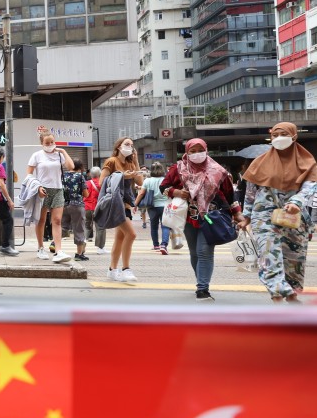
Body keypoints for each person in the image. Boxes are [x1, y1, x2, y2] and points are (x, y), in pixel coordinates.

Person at [239, 122, 317, 302]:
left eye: (283, 134)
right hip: (264, 214)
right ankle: (279, 290)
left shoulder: (307, 162)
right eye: (275, 135)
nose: (278, 139)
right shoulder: (260, 162)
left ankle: (291, 294)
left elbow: (310, 186)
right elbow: (251, 193)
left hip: (293, 215)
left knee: (294, 256)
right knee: (269, 253)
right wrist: (247, 217)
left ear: (294, 136)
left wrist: (296, 202)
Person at [159, 138, 243, 301]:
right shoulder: (178, 168)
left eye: (200, 150)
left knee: (204, 251)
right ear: (187, 152)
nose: (197, 154)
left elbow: (230, 195)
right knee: (194, 252)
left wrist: (237, 213)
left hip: (212, 217)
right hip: (188, 216)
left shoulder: (218, 170)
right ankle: (201, 281)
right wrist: (176, 192)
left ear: (206, 150)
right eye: (193, 151)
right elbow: (163, 187)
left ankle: (203, 288)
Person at [26, 131, 75, 263]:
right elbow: (29, 175)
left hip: (58, 189)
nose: (50, 145)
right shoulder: (37, 155)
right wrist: (37, 187)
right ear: (42, 143)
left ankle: (58, 251)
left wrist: (63, 151)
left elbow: (71, 167)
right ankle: (40, 247)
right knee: (41, 220)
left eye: (52, 142)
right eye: (47, 143)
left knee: (57, 220)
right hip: (43, 190)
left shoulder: (59, 155)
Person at [100, 137, 144, 282]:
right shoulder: (111, 161)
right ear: (118, 146)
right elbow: (102, 182)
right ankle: (126, 269)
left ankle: (112, 270)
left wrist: (136, 161)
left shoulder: (130, 163)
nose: (130, 147)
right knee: (131, 234)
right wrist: (121, 176)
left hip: (125, 204)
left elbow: (140, 182)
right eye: (126, 144)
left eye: (132, 145)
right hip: (115, 204)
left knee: (120, 238)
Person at [135, 162, 171, 254]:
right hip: (165, 206)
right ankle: (164, 245)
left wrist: (135, 204)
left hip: (152, 206)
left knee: (154, 226)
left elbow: (141, 193)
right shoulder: (166, 180)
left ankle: (156, 245)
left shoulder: (147, 181)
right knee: (165, 226)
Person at [61, 159, 90, 260]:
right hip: (77, 205)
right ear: (80, 167)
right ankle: (79, 254)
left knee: (63, 227)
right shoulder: (80, 176)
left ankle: (55, 245)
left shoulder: (63, 176)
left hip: (64, 205)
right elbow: (86, 194)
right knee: (79, 229)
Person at [85, 166, 106, 254]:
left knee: (86, 226)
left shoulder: (86, 183)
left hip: (87, 207)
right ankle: (100, 248)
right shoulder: (102, 183)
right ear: (100, 174)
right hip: (98, 208)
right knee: (100, 227)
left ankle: (83, 245)